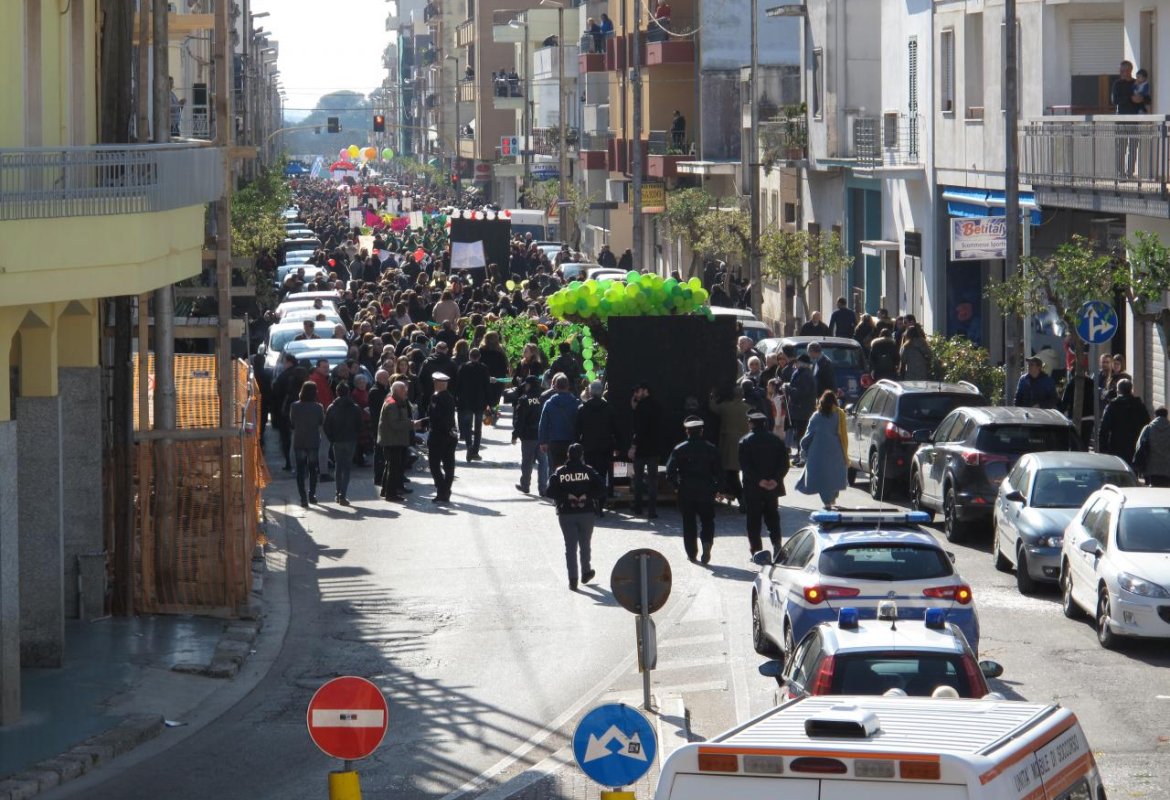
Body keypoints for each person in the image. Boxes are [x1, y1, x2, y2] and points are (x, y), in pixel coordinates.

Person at [547, 443, 603, 591]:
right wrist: (586, 495)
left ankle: (573, 580)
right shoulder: (589, 471)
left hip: (566, 513)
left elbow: (550, 491)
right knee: (585, 544)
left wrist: (567, 496)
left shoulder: (560, 472)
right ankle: (586, 572)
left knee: (570, 547)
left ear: (568, 455)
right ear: (582, 455)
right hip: (586, 512)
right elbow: (601, 489)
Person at [666, 416, 721, 563]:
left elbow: (669, 472)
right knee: (707, 520)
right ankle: (707, 542)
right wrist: (717, 488)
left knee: (688, 523)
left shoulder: (679, 448)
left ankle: (692, 553)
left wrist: (677, 487)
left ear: (687, 431)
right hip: (706, 489)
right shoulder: (711, 448)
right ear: (701, 431)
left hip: (686, 490)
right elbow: (720, 472)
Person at [739, 409, 790, 558]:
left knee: (753, 520)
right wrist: (775, 479)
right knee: (773, 517)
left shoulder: (745, 441)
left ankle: (756, 550)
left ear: (751, 424)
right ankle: (776, 544)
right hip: (772, 488)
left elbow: (745, 465)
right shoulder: (776, 440)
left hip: (753, 487)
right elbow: (784, 464)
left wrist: (759, 480)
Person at [796, 391, 849, 509]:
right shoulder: (840, 414)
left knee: (822, 479)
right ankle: (832, 499)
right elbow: (844, 433)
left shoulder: (816, 416)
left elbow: (808, 435)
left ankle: (827, 503)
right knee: (834, 476)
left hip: (818, 453)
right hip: (837, 450)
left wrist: (803, 447)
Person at [575, 381, 616, 513]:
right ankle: (601, 502)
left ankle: (591, 502)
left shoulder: (582, 409)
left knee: (589, 475)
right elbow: (615, 429)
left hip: (588, 448)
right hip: (605, 448)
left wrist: (577, 446)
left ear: (591, 392)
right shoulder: (609, 408)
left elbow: (577, 430)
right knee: (602, 476)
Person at [709, 385, 751, 507]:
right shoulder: (748, 408)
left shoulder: (725, 407)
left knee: (731, 473)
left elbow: (712, 407)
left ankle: (742, 499)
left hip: (728, 444)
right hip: (744, 443)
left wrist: (711, 395)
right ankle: (742, 497)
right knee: (736, 472)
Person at [323, 382, 364, 506]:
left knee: (338, 466)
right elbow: (360, 425)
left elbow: (326, 426)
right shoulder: (355, 407)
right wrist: (355, 435)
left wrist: (332, 438)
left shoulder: (332, 407)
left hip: (337, 440)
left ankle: (338, 492)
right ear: (348, 392)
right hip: (350, 440)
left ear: (337, 392)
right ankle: (343, 495)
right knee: (346, 468)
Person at [377, 380, 417, 502]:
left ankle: (386, 490)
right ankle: (391, 494)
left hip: (393, 439)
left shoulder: (395, 401)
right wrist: (412, 424)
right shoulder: (392, 404)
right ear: (398, 391)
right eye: (404, 390)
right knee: (393, 468)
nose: (406, 392)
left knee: (390, 466)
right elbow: (395, 424)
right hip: (392, 440)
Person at [628, 383, 662, 518]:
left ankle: (638, 507)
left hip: (642, 449)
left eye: (638, 391)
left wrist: (633, 446)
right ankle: (652, 510)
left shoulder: (641, 407)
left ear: (645, 391)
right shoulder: (657, 406)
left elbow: (638, 429)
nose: (636, 394)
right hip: (654, 448)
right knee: (653, 480)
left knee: (638, 479)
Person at [289, 381, 325, 508]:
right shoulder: (318, 407)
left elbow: (292, 422)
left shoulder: (294, 406)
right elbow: (321, 421)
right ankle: (312, 494)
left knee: (300, 469)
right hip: (313, 440)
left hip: (299, 439)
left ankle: (303, 497)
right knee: (313, 469)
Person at [1099, 379, 1150, 466]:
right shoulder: (1139, 405)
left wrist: (1103, 448)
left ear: (1118, 390)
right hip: (1135, 446)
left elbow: (1104, 429)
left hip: (1116, 446)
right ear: (1131, 390)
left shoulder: (1112, 406)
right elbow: (1147, 425)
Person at [538, 373, 581, 477]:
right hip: (571, 442)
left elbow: (543, 424)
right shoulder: (576, 403)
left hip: (554, 441)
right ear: (568, 386)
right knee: (571, 470)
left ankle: (554, 490)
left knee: (554, 469)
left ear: (555, 386)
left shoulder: (549, 403)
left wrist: (542, 441)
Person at [427, 372, 459, 503]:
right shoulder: (450, 397)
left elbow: (436, 418)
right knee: (449, 464)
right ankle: (446, 490)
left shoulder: (436, 397)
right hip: (451, 435)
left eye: (435, 382)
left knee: (434, 464)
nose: (434, 384)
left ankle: (443, 490)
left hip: (438, 435)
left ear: (439, 384)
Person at [456, 348, 491, 462]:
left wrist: (457, 399)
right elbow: (487, 386)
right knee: (478, 427)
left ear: (469, 356)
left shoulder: (463, 367)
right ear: (479, 357)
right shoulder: (484, 368)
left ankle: (469, 446)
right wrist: (489, 402)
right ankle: (475, 450)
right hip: (480, 401)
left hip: (466, 401)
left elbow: (458, 384)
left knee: (467, 426)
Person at [513, 375, 546, 494]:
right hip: (542, 435)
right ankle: (543, 489)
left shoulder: (524, 400)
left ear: (529, 385)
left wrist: (515, 435)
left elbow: (520, 420)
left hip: (528, 436)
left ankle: (525, 485)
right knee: (543, 462)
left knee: (527, 462)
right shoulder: (544, 398)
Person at [783, 354, 816, 461]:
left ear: (802, 364)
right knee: (798, 433)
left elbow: (802, 392)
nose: (795, 364)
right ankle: (799, 454)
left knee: (802, 433)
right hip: (797, 408)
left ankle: (803, 455)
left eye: (797, 362)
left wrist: (788, 389)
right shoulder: (799, 373)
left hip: (803, 409)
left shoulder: (805, 375)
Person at [1135, 407, 1170, 487]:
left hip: (1151, 469)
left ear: (1155, 415)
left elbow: (1139, 447)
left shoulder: (1148, 429)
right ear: (1166, 415)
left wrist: (1139, 466)